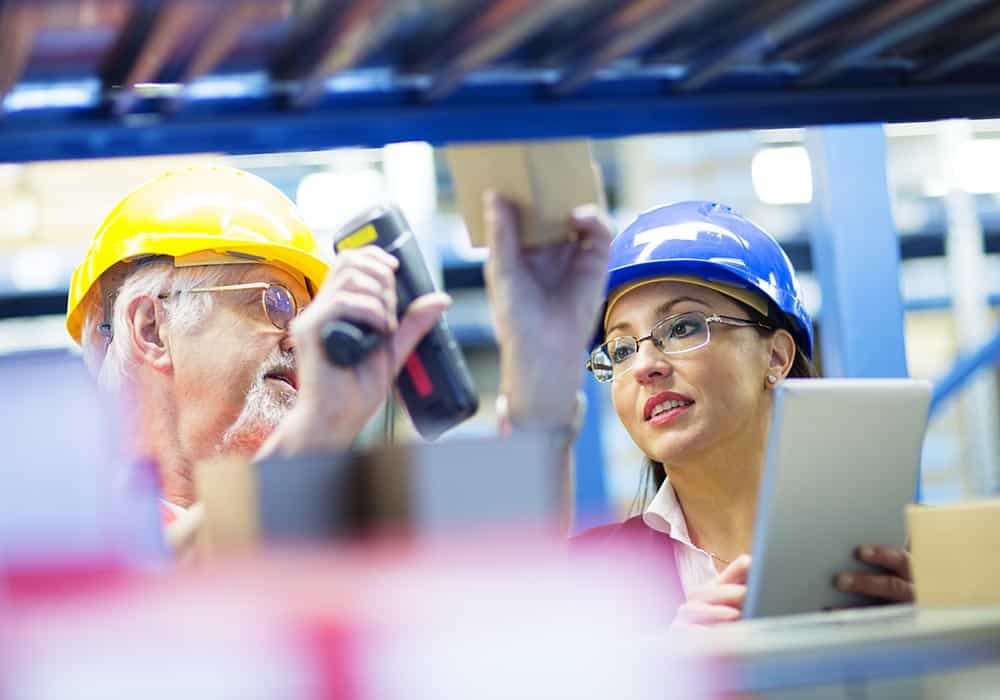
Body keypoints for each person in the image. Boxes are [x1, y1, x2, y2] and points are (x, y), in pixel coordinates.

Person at [66, 165, 610, 541]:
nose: (302, 337)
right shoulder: (68, 535)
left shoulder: (336, 518)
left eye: (311, 311)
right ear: (151, 327)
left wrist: (543, 385)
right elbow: (166, 589)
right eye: (274, 301)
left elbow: (504, 574)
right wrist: (316, 429)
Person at [484, 198, 914, 625]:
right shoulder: (595, 577)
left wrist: (933, 632)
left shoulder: (903, 554)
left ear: (777, 357)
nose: (645, 367)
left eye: (684, 327)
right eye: (620, 349)